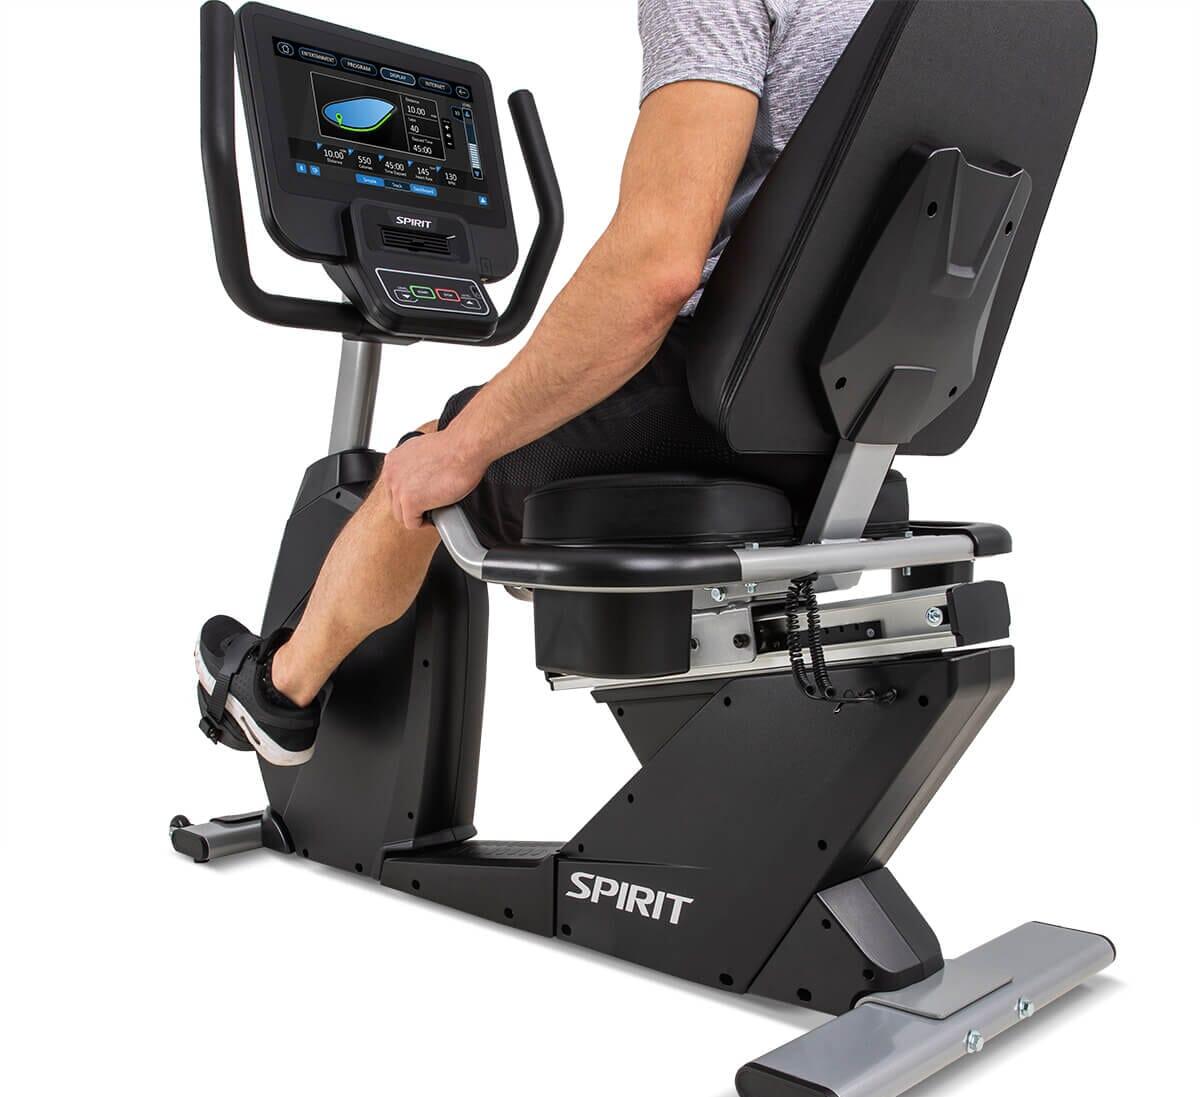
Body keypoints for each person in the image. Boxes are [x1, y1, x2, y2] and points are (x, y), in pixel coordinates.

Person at [196, 0, 872, 766]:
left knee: (421, 465)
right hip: (846, 423)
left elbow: (657, 267)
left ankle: (278, 695)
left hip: (717, 402)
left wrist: (462, 448)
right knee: (457, 447)